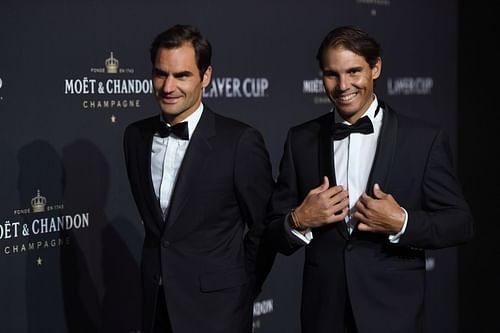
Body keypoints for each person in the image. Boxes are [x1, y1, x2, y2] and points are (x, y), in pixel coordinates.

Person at [266, 26, 475, 333]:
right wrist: (298, 219)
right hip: (324, 315)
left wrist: (401, 222)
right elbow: (271, 231)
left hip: (393, 314)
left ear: (375, 68)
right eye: (331, 74)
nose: (342, 85)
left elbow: (461, 223)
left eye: (354, 71)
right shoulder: (301, 140)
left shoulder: (423, 140)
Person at [123, 24, 274, 333]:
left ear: (205, 77)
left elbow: (265, 227)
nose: (168, 86)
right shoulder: (135, 137)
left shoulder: (239, 141)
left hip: (218, 313)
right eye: (160, 73)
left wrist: (239, 288)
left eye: (182, 75)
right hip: (155, 308)